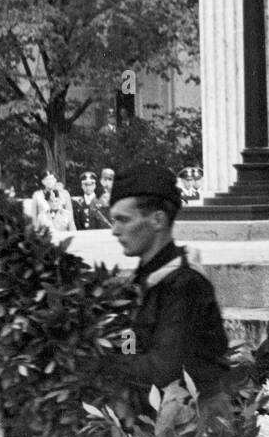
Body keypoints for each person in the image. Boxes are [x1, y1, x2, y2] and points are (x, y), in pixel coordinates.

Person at [96, 164, 229, 397]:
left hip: (193, 425)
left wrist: (97, 362)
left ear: (157, 220)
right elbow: (132, 344)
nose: (114, 231)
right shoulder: (142, 280)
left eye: (123, 220)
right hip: (158, 419)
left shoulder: (185, 285)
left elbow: (164, 371)